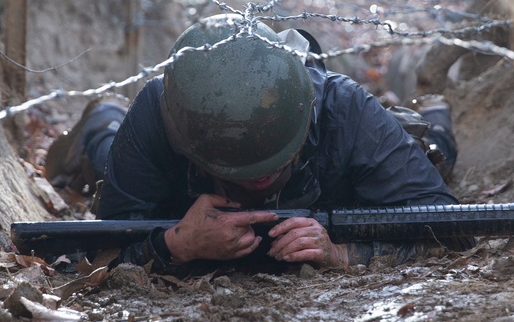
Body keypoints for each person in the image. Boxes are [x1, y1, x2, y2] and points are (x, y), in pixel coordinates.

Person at [45, 15, 458, 271]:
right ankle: (102, 119)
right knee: (106, 157)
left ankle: (436, 116)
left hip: (351, 176)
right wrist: (175, 245)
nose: (262, 183)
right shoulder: (159, 113)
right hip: (164, 188)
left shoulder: (341, 107)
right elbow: (100, 253)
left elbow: (450, 227)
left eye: (276, 166)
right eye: (245, 176)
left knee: (429, 154)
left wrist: (345, 254)